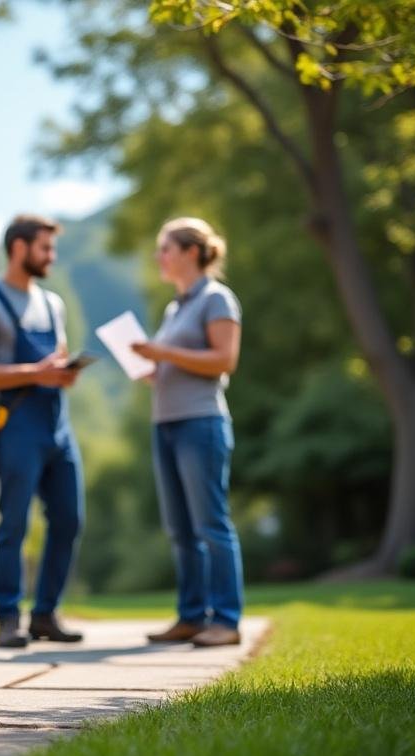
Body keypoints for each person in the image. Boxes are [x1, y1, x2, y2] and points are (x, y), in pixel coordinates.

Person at [0, 215, 85, 648]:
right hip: (17, 427)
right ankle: (8, 617)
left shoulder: (53, 303)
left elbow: (58, 356)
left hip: (59, 425)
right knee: (14, 522)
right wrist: (35, 372)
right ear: (19, 248)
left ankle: (46, 614)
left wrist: (65, 373)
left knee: (69, 520)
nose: (51, 256)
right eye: (44, 248)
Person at [131, 217, 244, 648]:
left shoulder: (217, 299)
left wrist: (161, 351)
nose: (160, 256)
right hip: (167, 424)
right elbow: (174, 364)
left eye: (166, 248)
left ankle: (227, 621)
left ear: (192, 253)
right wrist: (152, 368)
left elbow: (223, 360)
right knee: (180, 529)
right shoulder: (175, 307)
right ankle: (192, 617)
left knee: (212, 526)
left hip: (201, 423)